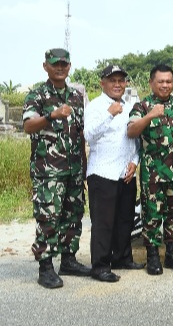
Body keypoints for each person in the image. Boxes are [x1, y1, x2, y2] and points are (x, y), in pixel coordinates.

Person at [22, 48, 91, 288]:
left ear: (69, 66)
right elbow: (29, 126)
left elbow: (80, 133)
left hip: (73, 169)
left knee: (73, 215)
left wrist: (83, 163)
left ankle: (69, 260)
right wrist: (51, 115)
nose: (60, 67)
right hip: (48, 171)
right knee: (48, 218)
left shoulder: (75, 95)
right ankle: (46, 267)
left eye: (64, 63)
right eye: (55, 64)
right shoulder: (37, 95)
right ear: (46, 66)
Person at [127, 64, 173, 275]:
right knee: (152, 214)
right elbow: (131, 131)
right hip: (154, 173)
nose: (165, 85)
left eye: (169, 81)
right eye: (161, 81)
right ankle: (153, 256)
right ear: (151, 83)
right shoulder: (142, 106)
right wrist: (150, 116)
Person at [84, 65, 142, 283]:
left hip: (125, 172)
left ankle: (122, 258)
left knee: (125, 219)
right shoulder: (97, 106)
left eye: (121, 80)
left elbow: (135, 140)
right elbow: (89, 135)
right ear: (103, 83)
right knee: (103, 223)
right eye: (113, 80)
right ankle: (100, 265)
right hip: (102, 173)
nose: (117, 85)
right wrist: (109, 115)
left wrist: (134, 163)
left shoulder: (129, 106)